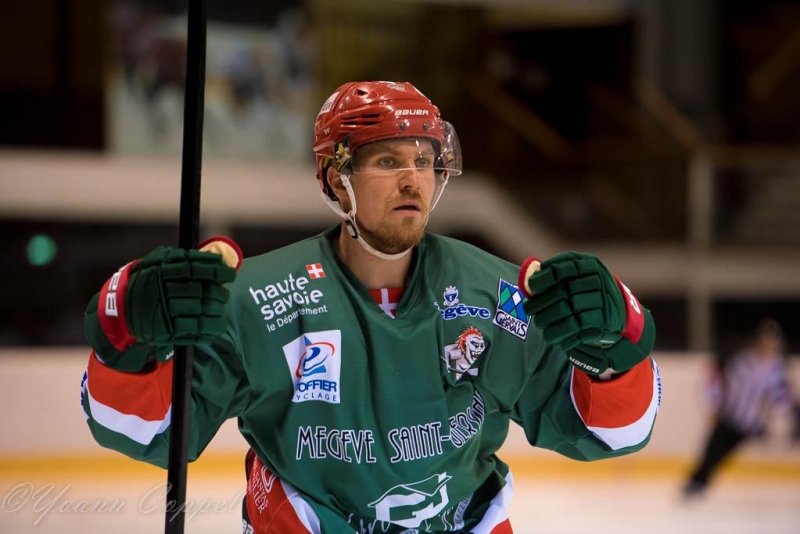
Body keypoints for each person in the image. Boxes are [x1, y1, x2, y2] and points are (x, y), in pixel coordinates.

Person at [80, 80, 661, 533]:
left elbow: (611, 433)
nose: (414, 178)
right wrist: (127, 332)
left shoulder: (497, 294)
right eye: (386, 161)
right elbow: (147, 430)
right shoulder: (261, 298)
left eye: (424, 160)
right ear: (337, 179)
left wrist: (613, 352)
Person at [683, 317, 794, 499]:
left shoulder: (776, 368)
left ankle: (698, 483)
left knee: (721, 454)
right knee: (712, 451)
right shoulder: (741, 360)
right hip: (729, 417)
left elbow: (780, 395)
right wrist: (715, 405)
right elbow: (718, 382)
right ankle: (697, 483)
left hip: (751, 423)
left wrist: (778, 414)